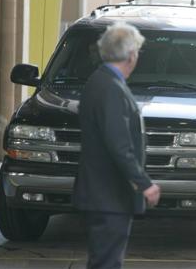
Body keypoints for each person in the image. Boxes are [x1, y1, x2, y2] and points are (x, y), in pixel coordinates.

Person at [73, 22, 161, 269]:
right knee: (107, 263)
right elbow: (119, 145)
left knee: (102, 261)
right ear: (131, 55)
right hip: (108, 196)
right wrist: (145, 183)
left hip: (101, 194)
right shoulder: (110, 88)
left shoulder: (99, 81)